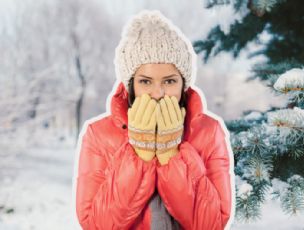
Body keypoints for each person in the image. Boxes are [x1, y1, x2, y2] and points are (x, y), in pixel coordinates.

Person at [74, 10, 234, 230]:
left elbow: (210, 224)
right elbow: (96, 225)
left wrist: (171, 154)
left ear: (183, 83)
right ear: (131, 85)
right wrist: (140, 152)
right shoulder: (98, 134)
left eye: (169, 81)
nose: (158, 93)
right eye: (146, 82)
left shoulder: (209, 131)